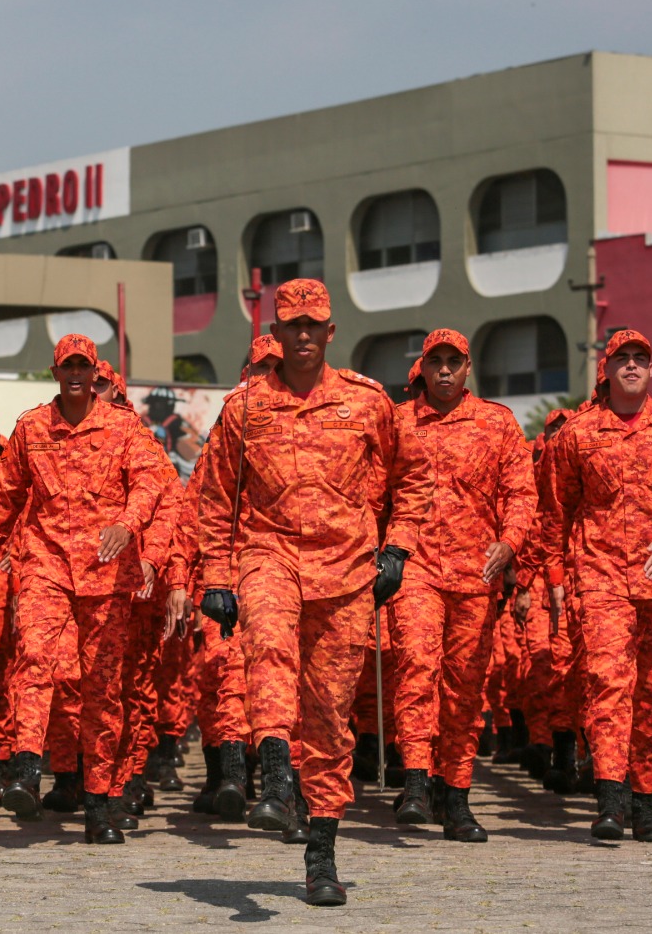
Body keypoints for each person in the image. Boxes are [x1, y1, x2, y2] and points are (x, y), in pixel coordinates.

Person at [195, 279, 428, 906]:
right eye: (291, 325)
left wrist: (398, 548)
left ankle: (320, 850)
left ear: (330, 332)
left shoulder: (369, 402)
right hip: (268, 554)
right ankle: (274, 781)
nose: (302, 335)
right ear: (275, 333)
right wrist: (217, 576)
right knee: (266, 648)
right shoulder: (244, 407)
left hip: (347, 572)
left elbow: (413, 475)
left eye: (313, 325)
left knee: (329, 716)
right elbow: (215, 496)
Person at [0, 334, 172, 845]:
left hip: (105, 573)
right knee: (35, 658)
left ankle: (100, 801)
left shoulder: (125, 427)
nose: (77, 375)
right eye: (68, 367)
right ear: (56, 372)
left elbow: (152, 482)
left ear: (94, 373)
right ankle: (24, 764)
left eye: (85, 367)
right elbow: (5, 494)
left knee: (102, 689)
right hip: (45, 562)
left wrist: (128, 524)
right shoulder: (32, 428)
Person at [539, 328, 652, 843]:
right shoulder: (578, 433)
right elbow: (556, 510)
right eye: (623, 359)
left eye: (641, 358)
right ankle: (610, 800)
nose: (632, 366)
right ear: (607, 369)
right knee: (609, 684)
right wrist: (553, 573)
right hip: (601, 576)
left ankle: (645, 802)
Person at [387, 328, 536, 843]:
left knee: (465, 689)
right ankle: (413, 783)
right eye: (436, 362)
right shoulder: (398, 421)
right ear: (423, 369)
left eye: (455, 361)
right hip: (416, 569)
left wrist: (510, 542)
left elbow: (521, 491)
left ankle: (457, 797)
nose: (445, 370)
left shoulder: (497, 423)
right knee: (416, 669)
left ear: (468, 367)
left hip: (477, 574)